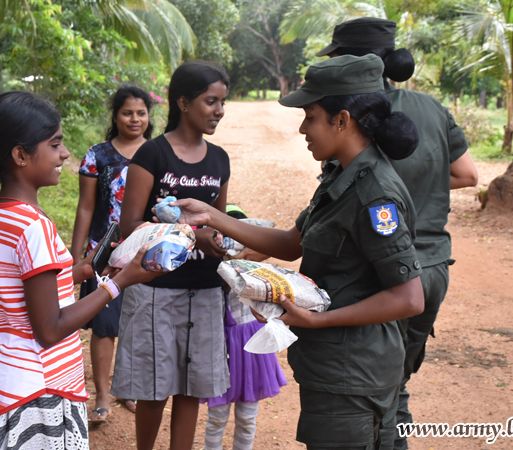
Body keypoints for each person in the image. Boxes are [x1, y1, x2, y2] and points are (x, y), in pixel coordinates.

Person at [169, 54, 425, 449]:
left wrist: (318, 321)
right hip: (338, 368)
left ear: (341, 120)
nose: (303, 129)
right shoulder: (343, 175)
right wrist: (212, 217)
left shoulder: (376, 195)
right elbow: (292, 244)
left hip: (354, 374)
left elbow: (408, 298)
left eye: (310, 116)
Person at [0, 90, 162, 450]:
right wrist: (120, 282)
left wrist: (81, 271)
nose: (65, 154)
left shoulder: (0, 212)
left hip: (7, 380)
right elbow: (50, 329)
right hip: (40, 393)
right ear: (21, 155)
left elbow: (20, 287)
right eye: (55, 144)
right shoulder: (33, 227)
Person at [315, 17, 479, 449]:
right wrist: (418, 186)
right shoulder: (430, 107)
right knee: (395, 383)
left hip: (386, 276)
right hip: (434, 267)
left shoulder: (355, 122)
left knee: (380, 388)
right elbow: (467, 174)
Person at [111, 61, 232, 450]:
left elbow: (221, 223)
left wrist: (221, 241)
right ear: (183, 102)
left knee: (191, 387)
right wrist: (194, 238)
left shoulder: (220, 160)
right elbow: (130, 225)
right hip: (155, 289)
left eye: (222, 103)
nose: (219, 111)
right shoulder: (153, 153)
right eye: (210, 101)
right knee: (153, 387)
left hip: (206, 289)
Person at [70, 84, 153, 422]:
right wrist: (77, 258)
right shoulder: (97, 156)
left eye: (141, 113)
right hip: (102, 255)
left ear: (150, 116)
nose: (135, 119)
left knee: (137, 323)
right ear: (115, 116)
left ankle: (128, 388)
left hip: (146, 253)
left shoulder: (157, 154)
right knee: (104, 326)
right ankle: (102, 395)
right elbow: (86, 208)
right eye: (127, 112)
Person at [200, 205, 288, 450]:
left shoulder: (252, 266)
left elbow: (270, 244)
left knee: (248, 418)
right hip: (219, 343)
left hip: (251, 345)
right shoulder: (207, 269)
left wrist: (240, 257)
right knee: (216, 419)